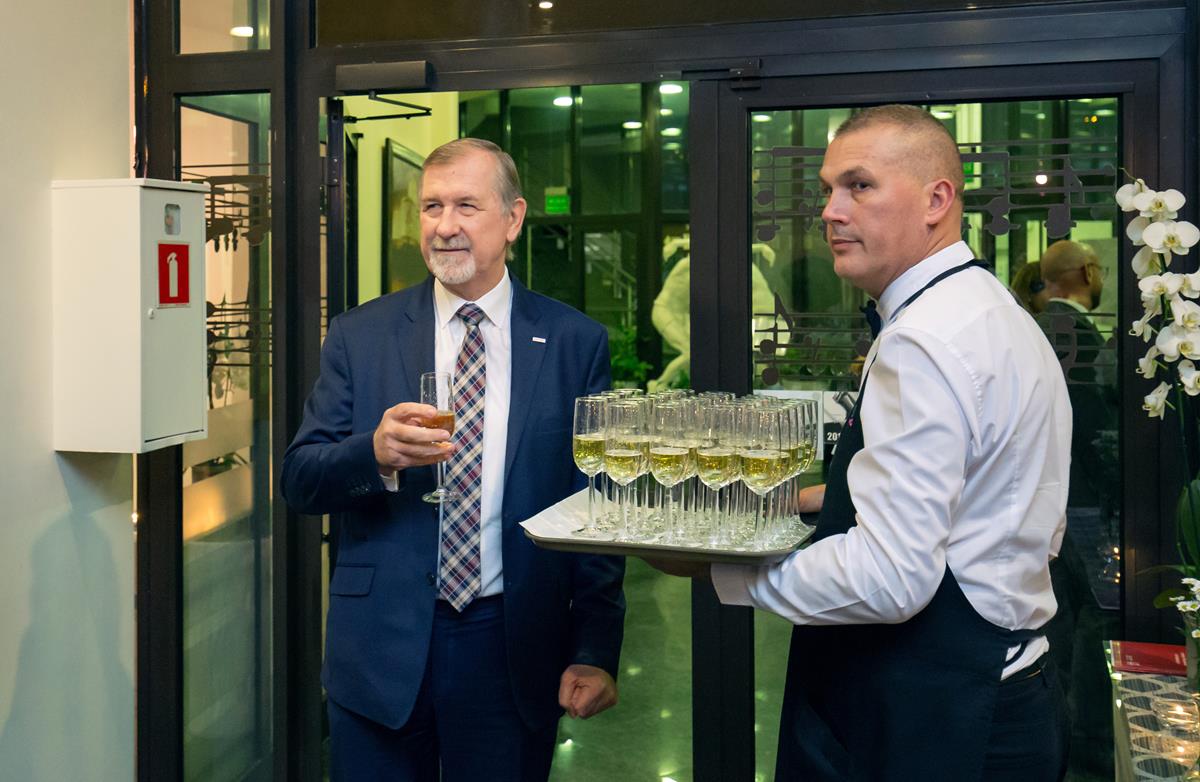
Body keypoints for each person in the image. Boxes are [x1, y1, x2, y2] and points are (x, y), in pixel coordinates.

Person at [653, 105, 1071, 780]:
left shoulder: (924, 340)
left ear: (937, 200)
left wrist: (718, 567)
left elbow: (889, 579)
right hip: (994, 688)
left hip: (936, 715)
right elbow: (983, 487)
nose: (830, 211)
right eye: (828, 189)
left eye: (859, 185)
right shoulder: (987, 310)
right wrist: (808, 499)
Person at [281, 138, 626, 782]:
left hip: (510, 644)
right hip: (379, 646)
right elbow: (300, 480)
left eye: (466, 205)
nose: (444, 226)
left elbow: (597, 505)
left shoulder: (574, 342)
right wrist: (374, 454)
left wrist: (595, 646)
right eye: (431, 207)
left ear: (513, 219)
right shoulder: (360, 334)